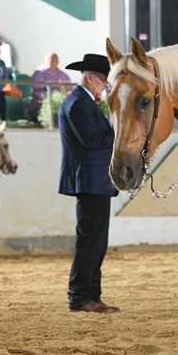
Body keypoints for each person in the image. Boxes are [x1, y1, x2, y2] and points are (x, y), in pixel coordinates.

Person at [59, 53, 119, 313]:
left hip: (96, 180)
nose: (105, 86)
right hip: (89, 179)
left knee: (97, 241)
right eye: (104, 81)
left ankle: (92, 295)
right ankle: (80, 296)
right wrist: (117, 126)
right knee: (90, 241)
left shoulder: (83, 102)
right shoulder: (78, 104)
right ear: (91, 78)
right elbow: (92, 140)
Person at [27, 52, 71, 124]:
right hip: (41, 107)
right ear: (46, 60)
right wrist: (52, 96)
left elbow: (69, 88)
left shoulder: (63, 75)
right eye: (51, 59)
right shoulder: (39, 73)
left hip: (61, 105)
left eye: (55, 59)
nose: (53, 61)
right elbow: (38, 92)